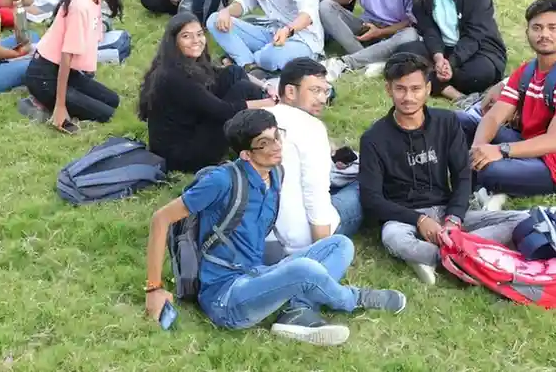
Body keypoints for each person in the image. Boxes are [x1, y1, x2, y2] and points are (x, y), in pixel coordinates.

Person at [144, 109, 407, 347]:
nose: (277, 146)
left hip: (257, 272)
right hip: (225, 296)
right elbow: (160, 219)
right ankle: (353, 299)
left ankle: (297, 309)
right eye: (264, 143)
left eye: (277, 137)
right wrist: (154, 289)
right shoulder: (221, 181)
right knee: (304, 270)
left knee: (340, 245)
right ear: (246, 154)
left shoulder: (276, 173)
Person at [358, 53, 527, 285]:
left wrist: (454, 218)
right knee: (394, 239)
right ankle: (466, 254)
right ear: (389, 89)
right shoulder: (373, 138)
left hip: (446, 210)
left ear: (428, 89)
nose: (408, 97)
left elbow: (462, 175)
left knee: (520, 220)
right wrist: (419, 220)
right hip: (403, 217)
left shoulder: (446, 122)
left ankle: (439, 255)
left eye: (416, 89)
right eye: (400, 89)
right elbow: (371, 199)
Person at [464, 0, 556, 210]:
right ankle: (477, 173)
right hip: (527, 143)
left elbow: (554, 141)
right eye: (537, 28)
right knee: (460, 121)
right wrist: (478, 148)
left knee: (489, 170)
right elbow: (494, 116)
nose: (544, 34)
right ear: (527, 32)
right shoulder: (527, 70)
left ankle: (482, 181)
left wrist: (500, 150)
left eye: (553, 28)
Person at [138, 13, 277, 172]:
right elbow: (223, 110)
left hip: (191, 127)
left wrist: (266, 86)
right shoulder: (174, 76)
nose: (196, 40)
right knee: (242, 89)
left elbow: (227, 71)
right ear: (174, 41)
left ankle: (261, 130)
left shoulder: (184, 62)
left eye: (199, 34)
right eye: (186, 36)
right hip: (180, 155)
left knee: (233, 72)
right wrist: (267, 103)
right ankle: (263, 134)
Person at [263, 58, 363, 264]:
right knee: (366, 182)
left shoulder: (259, 118)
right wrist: (320, 255)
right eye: (315, 90)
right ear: (291, 91)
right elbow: (315, 197)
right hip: (300, 241)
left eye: (325, 91)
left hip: (264, 237)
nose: (323, 99)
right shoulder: (311, 129)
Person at [399, 0, 507, 107]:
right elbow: (428, 28)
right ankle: (455, 95)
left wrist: (452, 63)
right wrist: (438, 57)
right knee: (403, 56)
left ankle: (431, 79)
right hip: (442, 48)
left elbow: (475, 35)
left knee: (479, 75)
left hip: (478, 49)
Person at [25, 0, 123, 129]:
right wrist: (61, 106)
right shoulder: (80, 4)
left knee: (113, 100)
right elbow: (66, 55)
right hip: (44, 75)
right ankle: (39, 103)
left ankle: (51, 100)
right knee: (105, 114)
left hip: (67, 72)